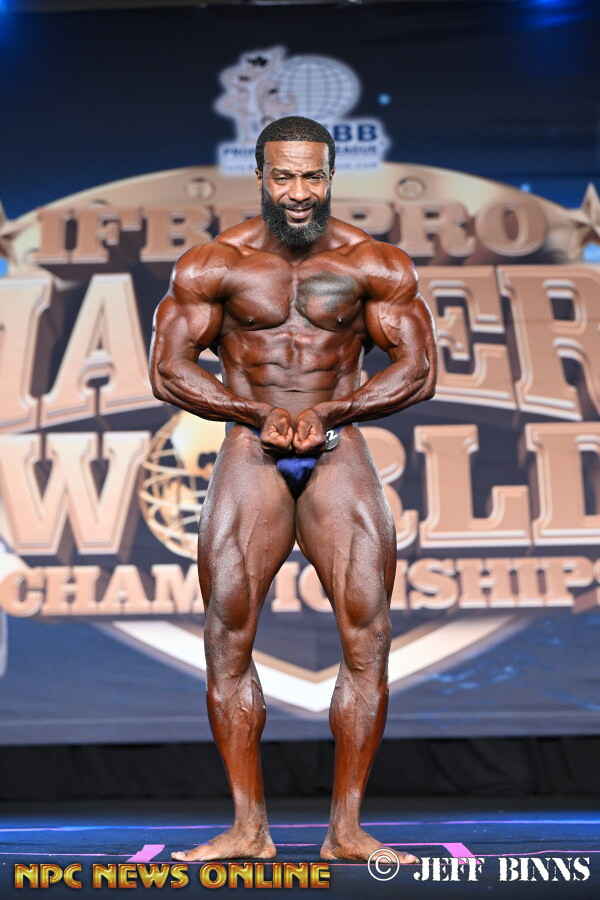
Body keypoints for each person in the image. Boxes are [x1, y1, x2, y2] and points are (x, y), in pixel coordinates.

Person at [149, 116, 437, 863]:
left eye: (312, 176)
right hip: (252, 445)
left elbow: (418, 369)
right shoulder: (215, 263)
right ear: (261, 177)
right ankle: (248, 828)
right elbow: (170, 369)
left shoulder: (373, 263)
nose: (299, 191)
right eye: (284, 176)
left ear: (331, 176)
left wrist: (335, 410)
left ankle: (347, 829)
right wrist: (255, 413)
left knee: (368, 630)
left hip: (337, 445)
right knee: (227, 630)